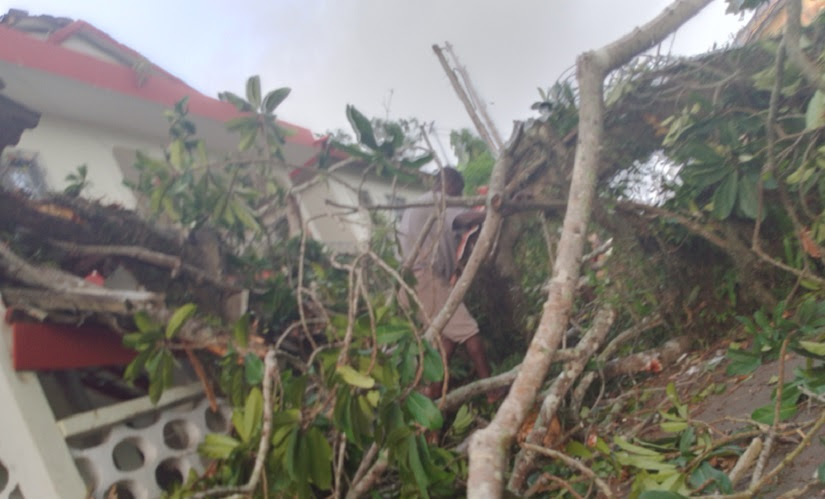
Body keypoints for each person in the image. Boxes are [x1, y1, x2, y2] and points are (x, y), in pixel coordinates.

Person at [398, 167, 501, 403]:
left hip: (411, 283)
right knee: (470, 332)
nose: (459, 197)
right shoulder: (440, 200)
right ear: (451, 185)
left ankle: (433, 396)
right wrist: (495, 209)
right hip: (426, 281)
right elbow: (463, 218)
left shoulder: (417, 204)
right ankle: (492, 392)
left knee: (449, 339)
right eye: (460, 192)